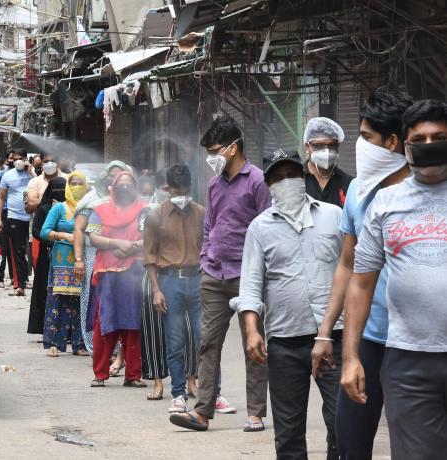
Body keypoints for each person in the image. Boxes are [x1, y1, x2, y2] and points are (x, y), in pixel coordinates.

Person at [310, 87, 413, 460]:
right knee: (350, 436)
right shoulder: (356, 190)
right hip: (369, 335)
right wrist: (326, 333)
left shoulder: (427, 191)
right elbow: (348, 265)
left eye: (367, 138)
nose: (360, 146)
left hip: (414, 342)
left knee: (414, 440)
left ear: (392, 142)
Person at [342, 99, 447, 459]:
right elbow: (360, 282)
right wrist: (351, 356)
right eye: (420, 138)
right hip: (407, 362)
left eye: (440, 137)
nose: (430, 145)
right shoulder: (385, 203)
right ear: (404, 146)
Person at [232, 148, 344, 458]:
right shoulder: (259, 228)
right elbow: (251, 286)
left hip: (334, 336)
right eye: (278, 178)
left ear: (303, 176)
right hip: (284, 342)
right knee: (290, 433)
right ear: (268, 185)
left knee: (343, 424)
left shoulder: (334, 216)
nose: (286, 181)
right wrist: (252, 331)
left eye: (292, 175)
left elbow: (350, 271)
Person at [170, 113, 269, 432]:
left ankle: (255, 412)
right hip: (214, 275)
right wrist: (205, 258)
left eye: (214, 151)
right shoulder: (213, 184)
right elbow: (210, 224)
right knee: (208, 343)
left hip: (247, 278)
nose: (211, 158)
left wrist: (261, 273)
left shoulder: (258, 181)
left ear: (233, 147)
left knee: (252, 344)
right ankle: (202, 412)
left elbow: (268, 227)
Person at [145, 164, 204, 412]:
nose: (181, 194)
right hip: (169, 280)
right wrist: (157, 290)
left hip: (198, 280)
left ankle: (213, 393)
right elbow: (149, 257)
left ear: (190, 187)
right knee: (175, 339)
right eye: (176, 190)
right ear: (167, 188)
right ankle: (178, 394)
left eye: (185, 189)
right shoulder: (155, 215)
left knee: (207, 340)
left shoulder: (201, 212)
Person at [89, 172, 146, 388]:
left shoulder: (143, 209)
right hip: (108, 274)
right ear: (113, 187)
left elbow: (150, 235)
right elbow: (93, 237)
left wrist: (132, 247)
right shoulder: (100, 210)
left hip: (135, 272)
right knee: (106, 321)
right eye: (120, 184)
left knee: (133, 323)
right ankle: (100, 373)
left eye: (128, 184)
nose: (124, 187)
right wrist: (116, 244)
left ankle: (132, 374)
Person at [74, 161, 132, 358]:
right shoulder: (92, 199)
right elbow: (79, 230)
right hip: (94, 256)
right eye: (112, 174)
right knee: (94, 300)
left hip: (126, 258)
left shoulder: (133, 201)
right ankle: (94, 346)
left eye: (121, 175)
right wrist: (79, 259)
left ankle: (120, 351)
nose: (115, 179)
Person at [40, 172, 89, 356]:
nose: (76, 187)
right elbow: (44, 232)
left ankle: (80, 344)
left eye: (80, 184)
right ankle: (53, 343)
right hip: (61, 260)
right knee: (57, 302)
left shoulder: (88, 209)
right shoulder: (59, 208)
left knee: (80, 303)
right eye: (73, 183)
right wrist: (63, 235)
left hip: (82, 261)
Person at [28, 177, 67, 336]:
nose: (60, 193)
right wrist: (51, 239)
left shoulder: (69, 208)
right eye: (56, 190)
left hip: (67, 253)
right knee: (44, 288)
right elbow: (36, 230)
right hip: (47, 253)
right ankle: (43, 325)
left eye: (63, 190)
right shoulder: (44, 208)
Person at [0, 148, 34, 296]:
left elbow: (42, 188)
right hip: (14, 218)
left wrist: (31, 171)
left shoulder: (33, 175)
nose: (17, 161)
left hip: (32, 219)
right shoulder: (7, 176)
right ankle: (20, 285)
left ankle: (32, 281)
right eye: (15, 159)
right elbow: (0, 197)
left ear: (26, 158)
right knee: (18, 252)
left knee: (32, 253)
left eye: (21, 158)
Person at [304, 117, 354, 208]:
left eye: (332, 145)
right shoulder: (296, 179)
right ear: (307, 146)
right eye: (319, 145)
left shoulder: (349, 184)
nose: (326, 151)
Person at [0, 152, 15, 289]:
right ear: (7, 159)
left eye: (17, 159)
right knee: (1, 249)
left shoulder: (23, 176)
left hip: (17, 216)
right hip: (4, 214)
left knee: (15, 250)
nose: (13, 161)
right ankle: (0, 278)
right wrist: (2, 208)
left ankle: (14, 278)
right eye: (11, 158)